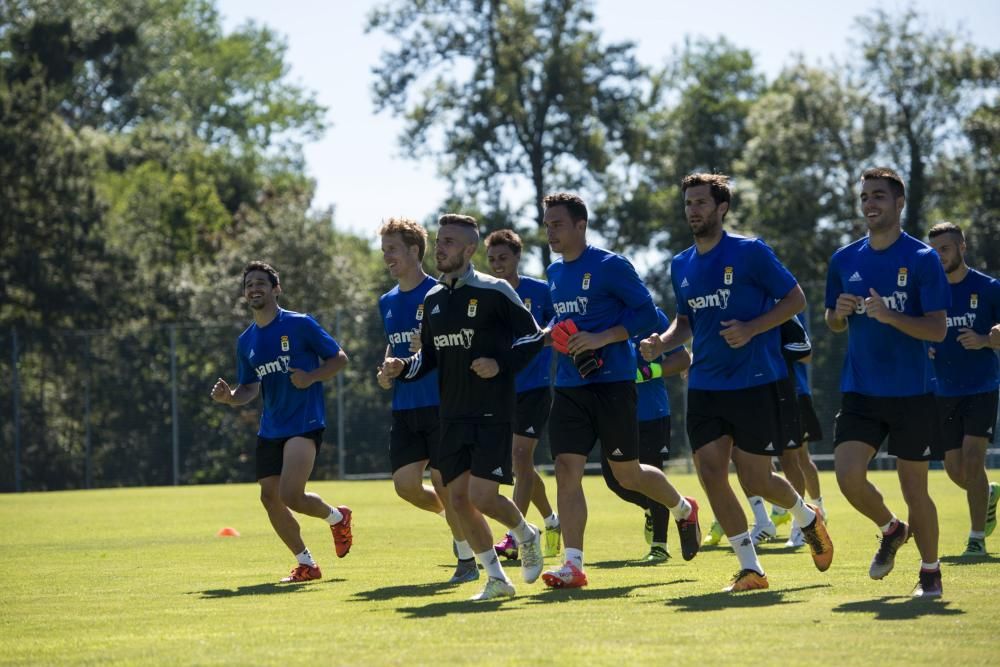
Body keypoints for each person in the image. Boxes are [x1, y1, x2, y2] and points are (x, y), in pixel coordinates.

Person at [642, 173, 833, 593]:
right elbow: (686, 322)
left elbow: (796, 299)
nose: (693, 210)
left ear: (721, 207)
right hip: (706, 384)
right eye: (688, 203)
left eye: (701, 203)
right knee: (710, 472)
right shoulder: (680, 264)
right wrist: (662, 342)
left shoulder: (750, 252)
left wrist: (752, 328)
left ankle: (806, 516)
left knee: (757, 480)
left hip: (756, 381)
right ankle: (751, 569)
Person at [540, 192, 702, 590]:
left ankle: (683, 508)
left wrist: (600, 338)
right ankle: (573, 565)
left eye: (557, 224)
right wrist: (555, 336)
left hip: (614, 382)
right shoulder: (554, 273)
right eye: (547, 225)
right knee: (566, 469)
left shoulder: (611, 265)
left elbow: (647, 314)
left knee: (626, 474)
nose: (550, 233)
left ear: (581, 225)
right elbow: (566, 322)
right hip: (571, 385)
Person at [381, 214, 546, 601]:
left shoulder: (496, 290)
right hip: (450, 415)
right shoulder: (433, 299)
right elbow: (430, 358)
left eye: (449, 242)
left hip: (492, 412)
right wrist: (403, 368)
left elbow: (534, 337)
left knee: (482, 497)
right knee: (457, 499)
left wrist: (499, 363)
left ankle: (526, 534)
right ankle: (497, 578)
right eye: (439, 240)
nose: (440, 247)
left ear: (469, 250)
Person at [825, 167, 950, 598]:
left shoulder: (922, 259)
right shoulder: (844, 259)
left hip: (913, 393)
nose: (870, 204)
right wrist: (838, 313)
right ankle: (891, 529)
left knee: (916, 490)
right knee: (847, 477)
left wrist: (890, 315)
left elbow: (937, 330)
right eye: (864, 197)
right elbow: (832, 323)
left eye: (878, 196)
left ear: (899, 203)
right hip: (860, 391)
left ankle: (930, 572)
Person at [210, 261, 353, 583]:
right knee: (269, 497)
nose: (254, 289)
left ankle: (337, 517)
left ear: (276, 289)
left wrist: (312, 376)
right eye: (249, 285)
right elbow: (248, 388)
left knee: (291, 494)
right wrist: (229, 397)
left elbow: (339, 359)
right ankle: (307, 564)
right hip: (271, 426)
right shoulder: (246, 341)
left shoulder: (300, 324)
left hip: (305, 421)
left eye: (260, 283)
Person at [376, 218, 478, 583]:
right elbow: (394, 347)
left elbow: (461, 345)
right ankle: (457, 523)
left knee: (443, 482)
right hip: (405, 407)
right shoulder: (386, 301)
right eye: (384, 249)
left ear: (414, 251)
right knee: (405, 485)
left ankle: (466, 561)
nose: (386, 256)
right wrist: (387, 372)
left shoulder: (440, 293)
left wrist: (433, 348)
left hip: (441, 404)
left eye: (393, 249)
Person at [484, 229, 561, 560]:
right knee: (522, 465)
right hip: (500, 391)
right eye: (491, 259)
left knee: (519, 457)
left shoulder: (539, 291)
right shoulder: (486, 295)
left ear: (517, 257)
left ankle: (516, 536)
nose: (497, 264)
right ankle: (551, 520)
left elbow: (560, 321)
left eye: (503, 258)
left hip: (535, 388)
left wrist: (541, 337)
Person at [926, 222, 1000, 556]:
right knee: (956, 470)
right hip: (943, 391)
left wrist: (985, 339)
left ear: (961, 247)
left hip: (982, 387)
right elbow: (920, 328)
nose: (939, 255)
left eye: (945, 248)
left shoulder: (988, 288)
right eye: (934, 250)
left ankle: (976, 540)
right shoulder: (929, 290)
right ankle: (989, 494)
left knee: (972, 462)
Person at [599, 307, 691, 563]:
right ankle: (656, 508)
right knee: (614, 480)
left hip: (652, 412)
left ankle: (660, 546)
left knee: (652, 474)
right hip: (615, 414)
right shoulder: (600, 314)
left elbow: (683, 359)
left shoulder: (653, 317)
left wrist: (647, 372)